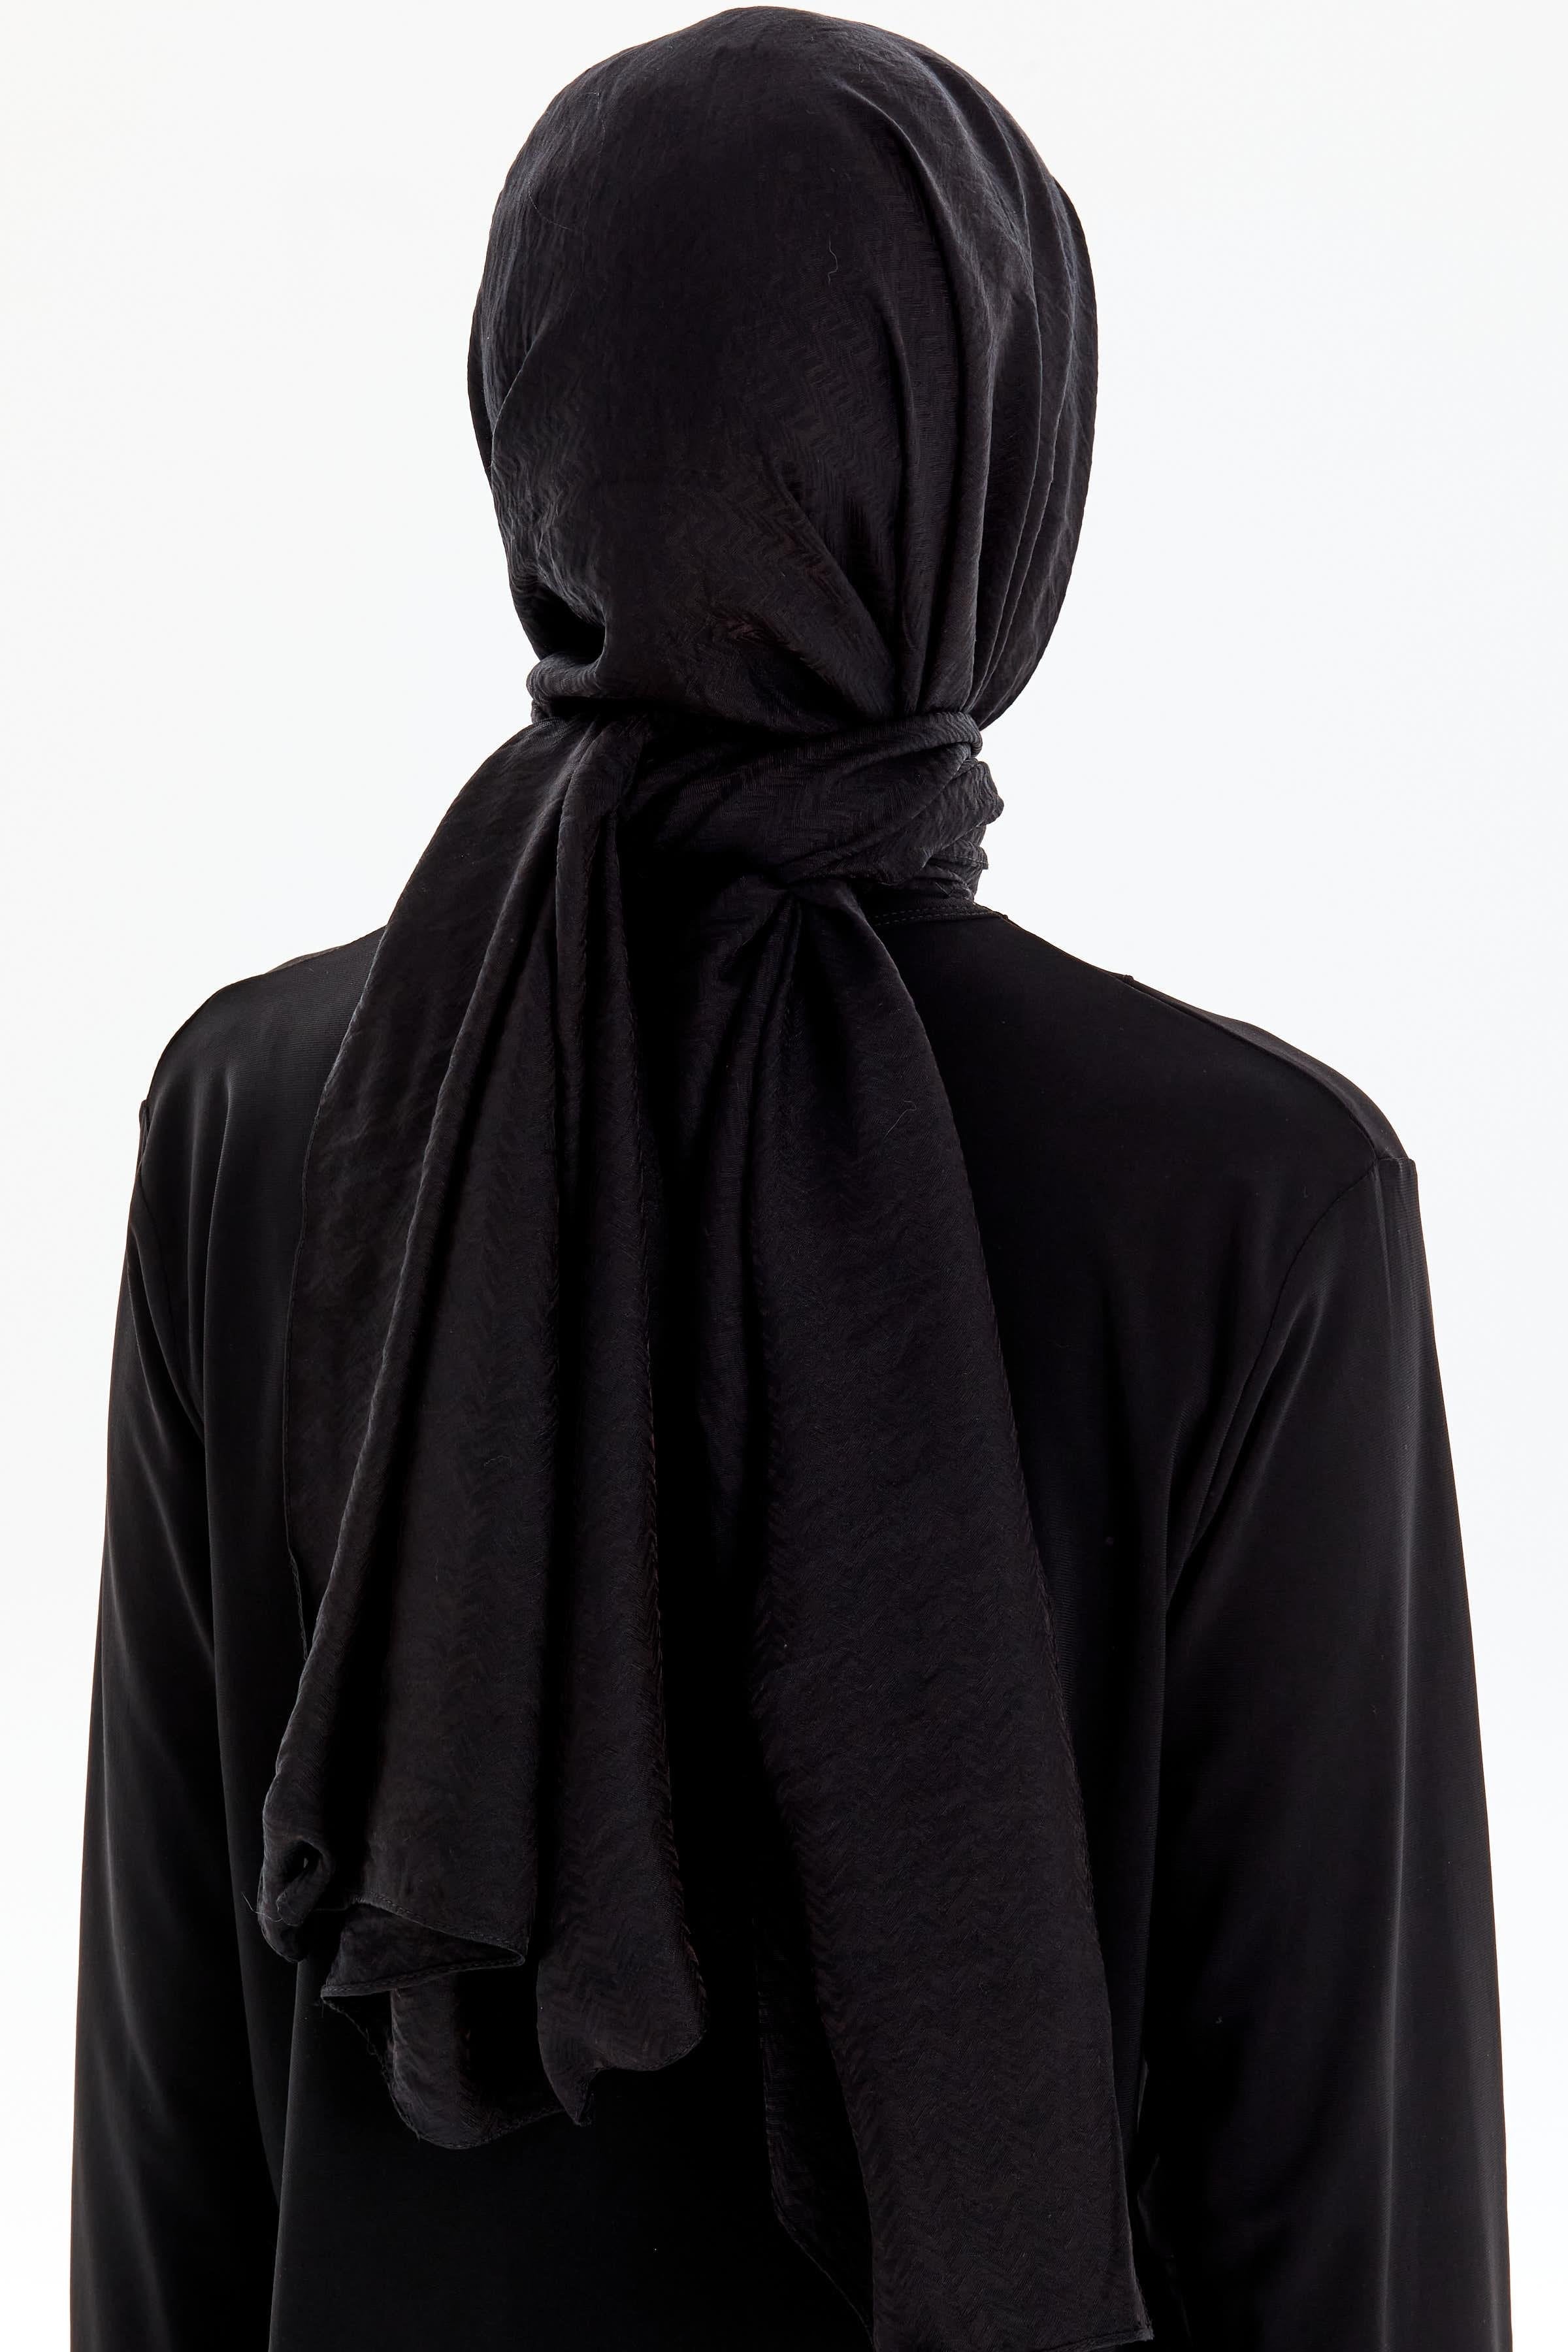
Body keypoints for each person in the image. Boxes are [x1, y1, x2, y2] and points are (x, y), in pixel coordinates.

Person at [71, 10, 1510, 2349]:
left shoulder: (252, 1115)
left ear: (530, 423)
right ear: (999, 460)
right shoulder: (1257, 1205)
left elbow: (167, 2190)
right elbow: (1345, 2234)